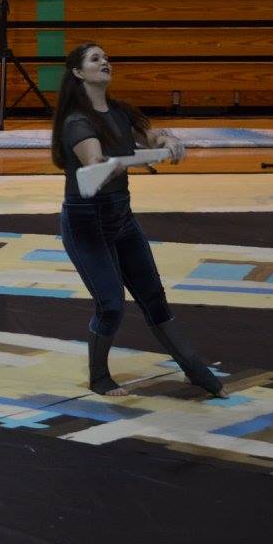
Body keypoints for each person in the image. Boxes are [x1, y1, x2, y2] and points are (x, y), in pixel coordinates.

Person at [52, 43, 226, 399]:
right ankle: (99, 377)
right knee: (111, 305)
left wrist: (168, 141)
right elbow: (94, 163)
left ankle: (195, 370)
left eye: (106, 57)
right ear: (78, 73)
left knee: (154, 298)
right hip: (86, 225)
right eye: (95, 59)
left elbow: (152, 137)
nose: (105, 62)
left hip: (121, 217)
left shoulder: (119, 112)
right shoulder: (77, 122)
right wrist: (117, 162)